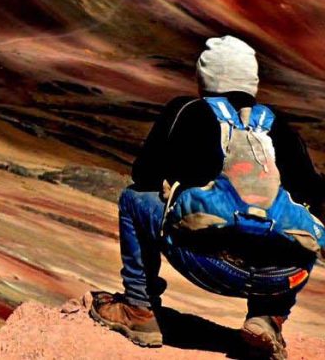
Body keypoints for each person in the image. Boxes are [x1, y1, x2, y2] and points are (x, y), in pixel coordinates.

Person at [91, 36, 325, 359]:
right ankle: (268, 318)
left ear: (205, 76)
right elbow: (313, 195)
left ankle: (139, 309)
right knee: (303, 229)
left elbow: (142, 175)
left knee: (132, 200)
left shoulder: (186, 110)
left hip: (209, 263)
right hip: (279, 278)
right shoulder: (279, 128)